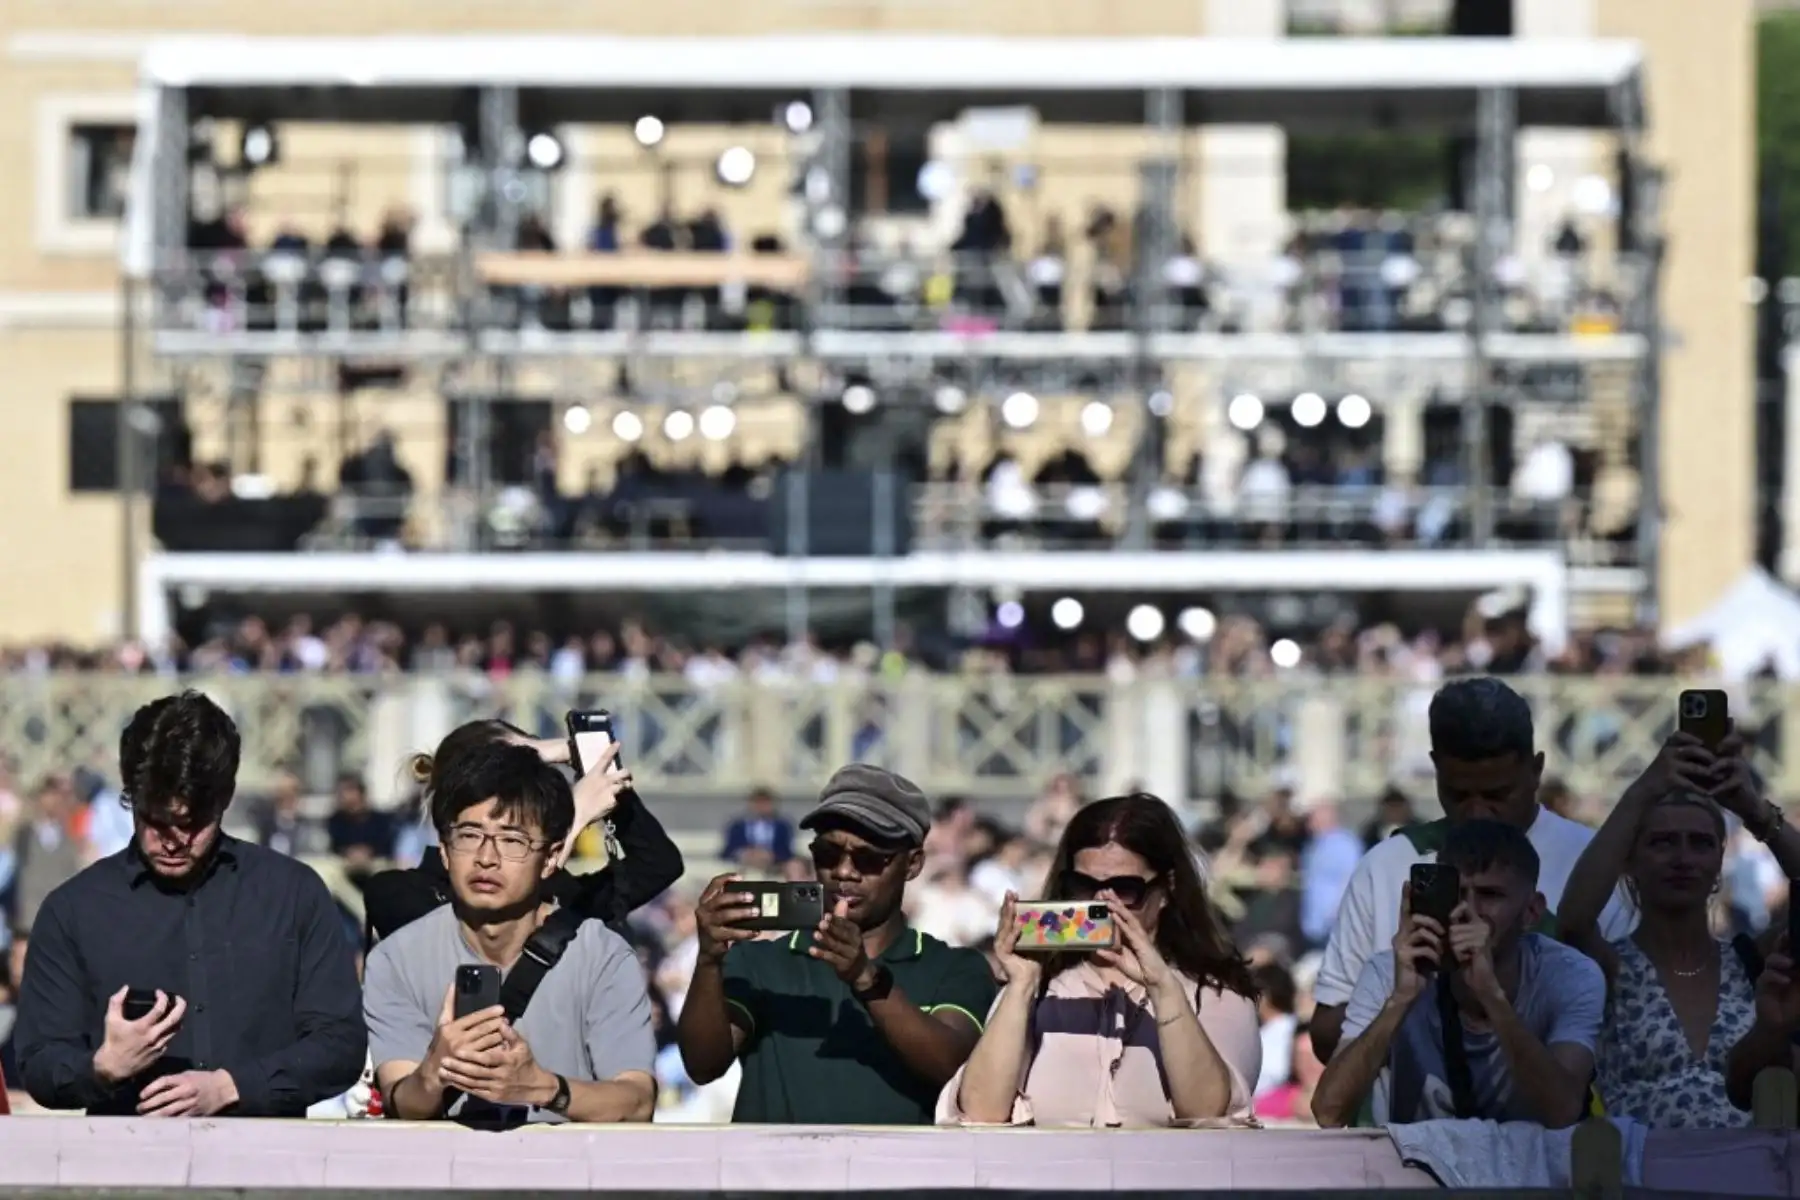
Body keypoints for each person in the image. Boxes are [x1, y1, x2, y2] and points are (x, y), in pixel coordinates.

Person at [13, 690, 366, 1116]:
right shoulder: (73, 910)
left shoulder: (292, 895)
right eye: (155, 821)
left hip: (265, 1154)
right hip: (125, 1155)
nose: (173, 841)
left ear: (224, 800)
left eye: (192, 823)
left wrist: (233, 1087)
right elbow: (39, 1061)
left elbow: (341, 1045)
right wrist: (103, 1067)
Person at [1311, 677, 1634, 1063]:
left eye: (1498, 795)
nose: (1478, 812)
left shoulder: (1592, 862)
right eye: (1459, 795)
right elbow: (1327, 1037)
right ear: (1436, 768)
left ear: (1536, 770)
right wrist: (1402, 992)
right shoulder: (1386, 866)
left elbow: (1633, 1016)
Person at [677, 763, 997, 1124]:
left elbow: (954, 1071)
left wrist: (866, 980)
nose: (844, 871)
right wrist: (708, 959)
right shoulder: (758, 961)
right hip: (776, 1164)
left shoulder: (955, 967)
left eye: (868, 859)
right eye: (828, 854)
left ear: (913, 864)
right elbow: (702, 1065)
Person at [362, 742, 656, 1126]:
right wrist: (434, 1071)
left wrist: (543, 1088)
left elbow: (637, 1102)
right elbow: (403, 1103)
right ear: (445, 850)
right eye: (469, 835)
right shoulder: (396, 959)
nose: (486, 858)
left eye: (512, 841)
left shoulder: (603, 956)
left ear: (551, 857)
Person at [939, 793, 1261, 1127]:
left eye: (1124, 888)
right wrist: (1020, 986)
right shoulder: (1037, 991)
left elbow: (1209, 1115)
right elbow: (980, 1115)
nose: (1101, 903)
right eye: (1083, 885)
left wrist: (1164, 990)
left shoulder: (1213, 994)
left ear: (1167, 889)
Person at [1561, 729, 1800, 1124]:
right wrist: (1642, 792)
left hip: (1747, 1161)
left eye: (1700, 843)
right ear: (1629, 860)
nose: (1682, 858)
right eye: (1662, 842)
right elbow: (1573, 921)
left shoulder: (1751, 962)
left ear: (1719, 863)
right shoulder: (1609, 966)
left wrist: (1755, 811)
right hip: (1640, 1161)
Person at [1311, 820, 1605, 1129]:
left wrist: (1492, 997)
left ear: (1532, 911)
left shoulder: (1570, 976)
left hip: (1530, 1159)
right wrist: (1400, 1000)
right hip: (1417, 1157)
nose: (1467, 910)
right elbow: (1329, 1112)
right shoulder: (1389, 972)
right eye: (1457, 893)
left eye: (1490, 895)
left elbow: (1563, 1111)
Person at [362, 718, 682, 944]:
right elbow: (492, 948)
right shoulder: (400, 894)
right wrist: (572, 817)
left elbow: (657, 864)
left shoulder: (559, 892)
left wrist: (600, 773)